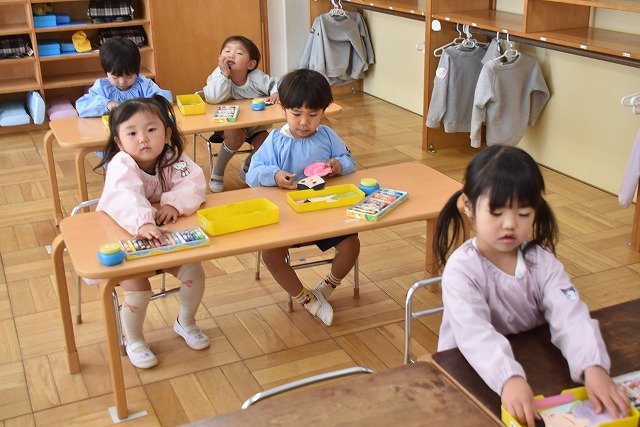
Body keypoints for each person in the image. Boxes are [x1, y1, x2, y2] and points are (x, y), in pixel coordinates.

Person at [433, 145, 630, 427]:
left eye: (523, 214)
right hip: (468, 370)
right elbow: (475, 336)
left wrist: (593, 366)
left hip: (533, 363)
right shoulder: (461, 270)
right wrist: (508, 378)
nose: (510, 224)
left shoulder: (541, 261)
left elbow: (570, 314)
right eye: (497, 212)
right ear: (468, 206)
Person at [94, 95, 209, 369]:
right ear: (119, 142)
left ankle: (185, 321)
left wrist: (173, 204)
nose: (143, 139)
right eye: (132, 133)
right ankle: (134, 339)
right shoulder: (122, 164)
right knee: (138, 289)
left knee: (194, 271)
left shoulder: (173, 158)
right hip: (126, 235)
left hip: (163, 236)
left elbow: (194, 183)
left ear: (167, 135)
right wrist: (143, 222)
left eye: (151, 129)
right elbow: (124, 197)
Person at [245, 68, 358, 326]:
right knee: (271, 256)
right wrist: (275, 176)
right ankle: (305, 298)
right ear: (283, 109)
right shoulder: (275, 141)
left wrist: (339, 165)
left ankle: (325, 288)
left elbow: (349, 160)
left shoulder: (327, 136)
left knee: (352, 245)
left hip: (323, 212)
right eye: (297, 114)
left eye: (313, 115)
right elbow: (253, 174)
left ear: (323, 112)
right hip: (286, 217)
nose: (304, 122)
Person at [202, 35, 279, 193]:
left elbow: (274, 83)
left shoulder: (256, 77)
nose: (231, 55)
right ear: (220, 58)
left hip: (255, 126)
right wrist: (224, 74)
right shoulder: (218, 75)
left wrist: (275, 92)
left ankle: (248, 166)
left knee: (268, 142)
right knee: (236, 136)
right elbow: (213, 98)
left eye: (238, 53)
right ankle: (217, 172)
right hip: (228, 125)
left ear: (251, 64)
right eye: (227, 51)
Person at [76, 37, 172, 118]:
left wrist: (148, 104)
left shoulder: (144, 84)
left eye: (129, 75)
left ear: (137, 71)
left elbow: (165, 99)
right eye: (115, 77)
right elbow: (81, 106)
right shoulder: (102, 86)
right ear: (106, 72)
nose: (122, 82)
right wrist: (107, 104)